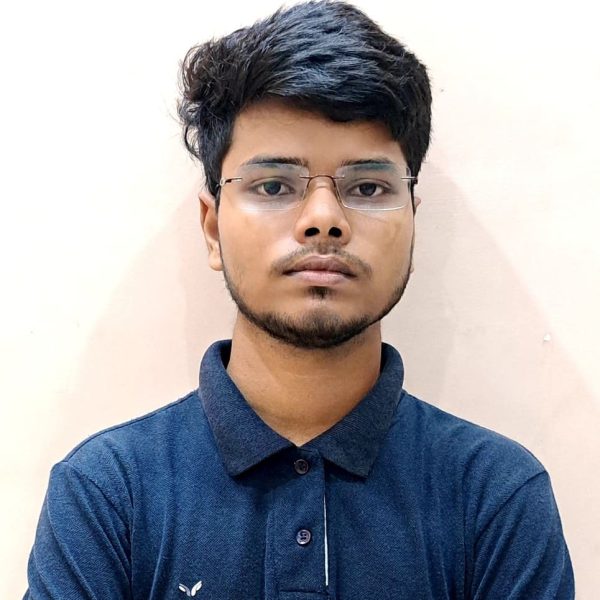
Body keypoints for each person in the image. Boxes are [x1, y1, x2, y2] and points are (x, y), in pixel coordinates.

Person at [24, 1, 574, 598]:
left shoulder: (497, 497)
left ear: (413, 221)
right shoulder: (107, 495)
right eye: (273, 185)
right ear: (212, 228)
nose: (323, 219)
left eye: (368, 187)